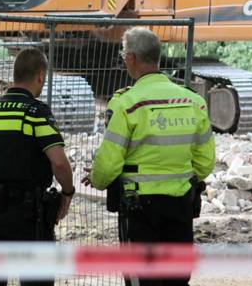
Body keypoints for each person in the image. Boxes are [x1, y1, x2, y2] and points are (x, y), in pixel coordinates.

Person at [82, 27, 215, 286]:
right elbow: (205, 162)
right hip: (180, 207)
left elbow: (109, 164)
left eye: (123, 55)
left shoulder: (127, 104)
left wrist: (97, 179)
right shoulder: (193, 102)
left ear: (131, 58)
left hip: (139, 210)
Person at [0, 48, 74, 286]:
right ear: (40, 75)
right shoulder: (36, 112)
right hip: (29, 217)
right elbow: (58, 161)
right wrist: (67, 193)